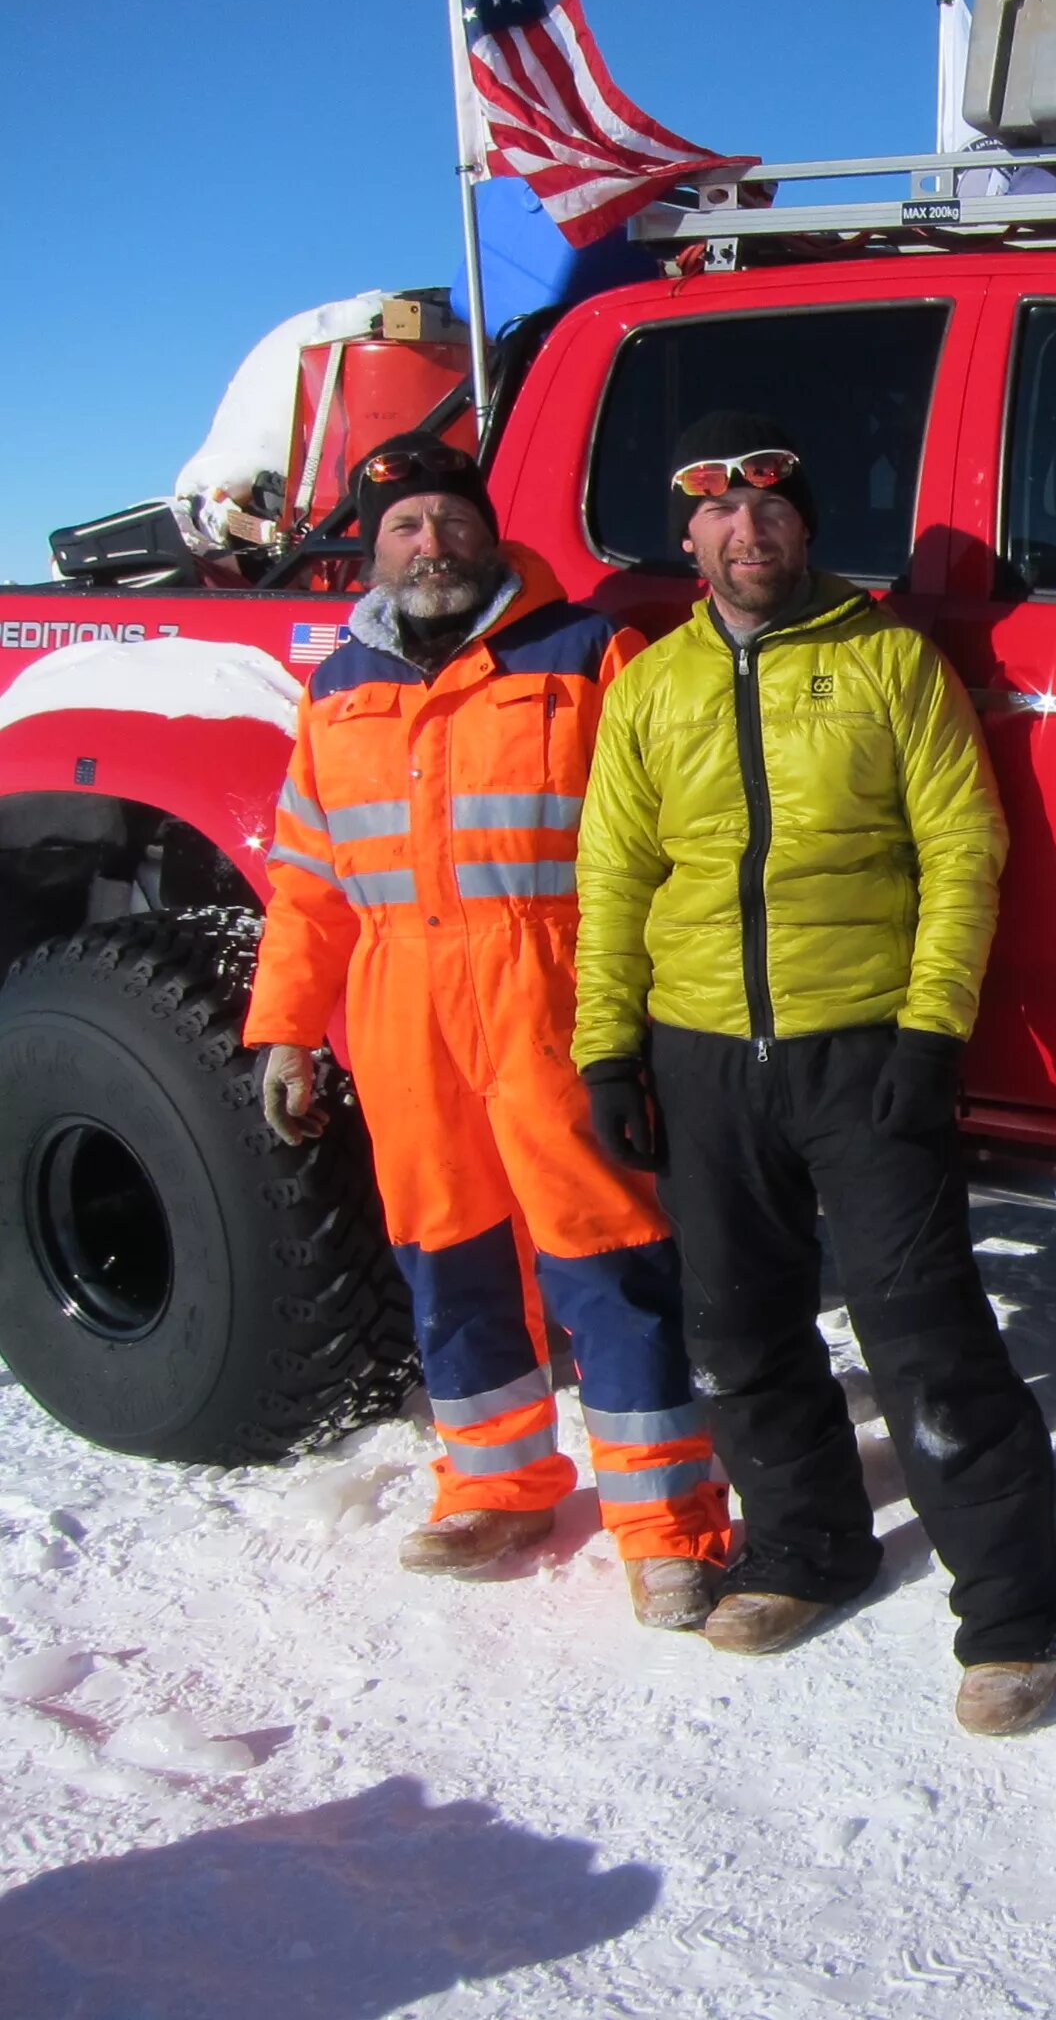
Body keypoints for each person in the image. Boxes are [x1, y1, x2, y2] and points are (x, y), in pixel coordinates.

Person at [570, 412, 1056, 1730]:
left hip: (861, 1047)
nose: (748, 533)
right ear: (688, 537)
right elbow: (614, 877)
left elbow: (962, 853)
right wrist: (608, 1051)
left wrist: (930, 1033)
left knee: (924, 1341)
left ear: (806, 529)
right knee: (740, 1332)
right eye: (721, 514)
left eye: (773, 511)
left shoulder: (887, 662)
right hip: (701, 1057)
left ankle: (1022, 1609)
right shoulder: (651, 687)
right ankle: (809, 1549)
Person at [245, 440, 730, 1629]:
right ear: (375, 547)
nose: (431, 545)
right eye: (406, 525)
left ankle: (667, 1524)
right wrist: (287, 1031)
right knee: (445, 1255)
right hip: (402, 1005)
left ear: (487, 531)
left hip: (554, 991)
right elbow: (309, 879)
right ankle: (496, 1485)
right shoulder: (337, 684)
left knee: (607, 1255)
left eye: (449, 522)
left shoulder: (584, 653)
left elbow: (666, 841)